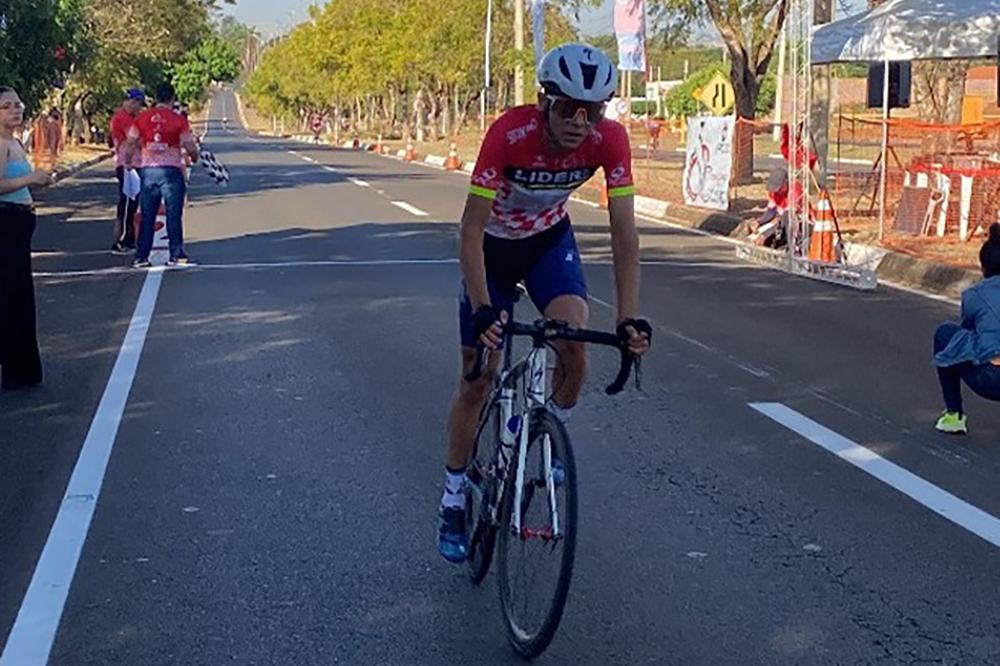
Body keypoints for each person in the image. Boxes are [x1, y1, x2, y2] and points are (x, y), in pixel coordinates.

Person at [437, 43, 652, 563]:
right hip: (491, 248)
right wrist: (486, 308)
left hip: (547, 243)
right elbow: (469, 230)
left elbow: (624, 234)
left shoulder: (610, 141)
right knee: (479, 376)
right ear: (544, 102)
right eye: (568, 109)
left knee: (574, 342)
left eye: (594, 111)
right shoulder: (509, 135)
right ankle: (453, 496)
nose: (581, 122)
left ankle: (552, 435)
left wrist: (626, 317)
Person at [0, 87, 54, 389]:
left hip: (20, 222)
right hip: (6, 223)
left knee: (20, 296)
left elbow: (18, 183)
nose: (15, 111)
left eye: (17, 104)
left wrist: (39, 180)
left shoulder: (16, 142)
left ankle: (21, 369)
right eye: (6, 107)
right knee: (8, 295)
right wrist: (31, 178)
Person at [931, 223, 1000, 434]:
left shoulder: (974, 295)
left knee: (946, 334)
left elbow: (968, 331)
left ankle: (954, 415)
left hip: (992, 380)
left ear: (983, 267)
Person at [123, 82, 199, 268]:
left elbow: (131, 141)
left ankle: (141, 256)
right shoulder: (178, 120)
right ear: (172, 99)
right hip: (171, 171)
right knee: (173, 214)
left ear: (156, 98)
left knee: (147, 215)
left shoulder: (141, 119)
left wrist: (128, 161)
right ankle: (176, 255)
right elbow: (189, 145)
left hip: (148, 172)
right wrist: (194, 157)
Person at [109, 88, 145, 254]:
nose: (139, 108)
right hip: (127, 165)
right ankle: (122, 240)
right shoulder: (123, 119)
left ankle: (130, 238)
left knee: (133, 202)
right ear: (131, 102)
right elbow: (136, 140)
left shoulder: (132, 118)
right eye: (137, 104)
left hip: (134, 164)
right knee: (127, 202)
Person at [748, 168, 790, 248]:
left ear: (786, 183)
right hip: (780, 223)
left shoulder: (794, 193)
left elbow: (786, 219)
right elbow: (771, 212)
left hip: (793, 225)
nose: (776, 192)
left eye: (779, 188)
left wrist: (766, 234)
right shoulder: (775, 193)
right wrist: (759, 222)